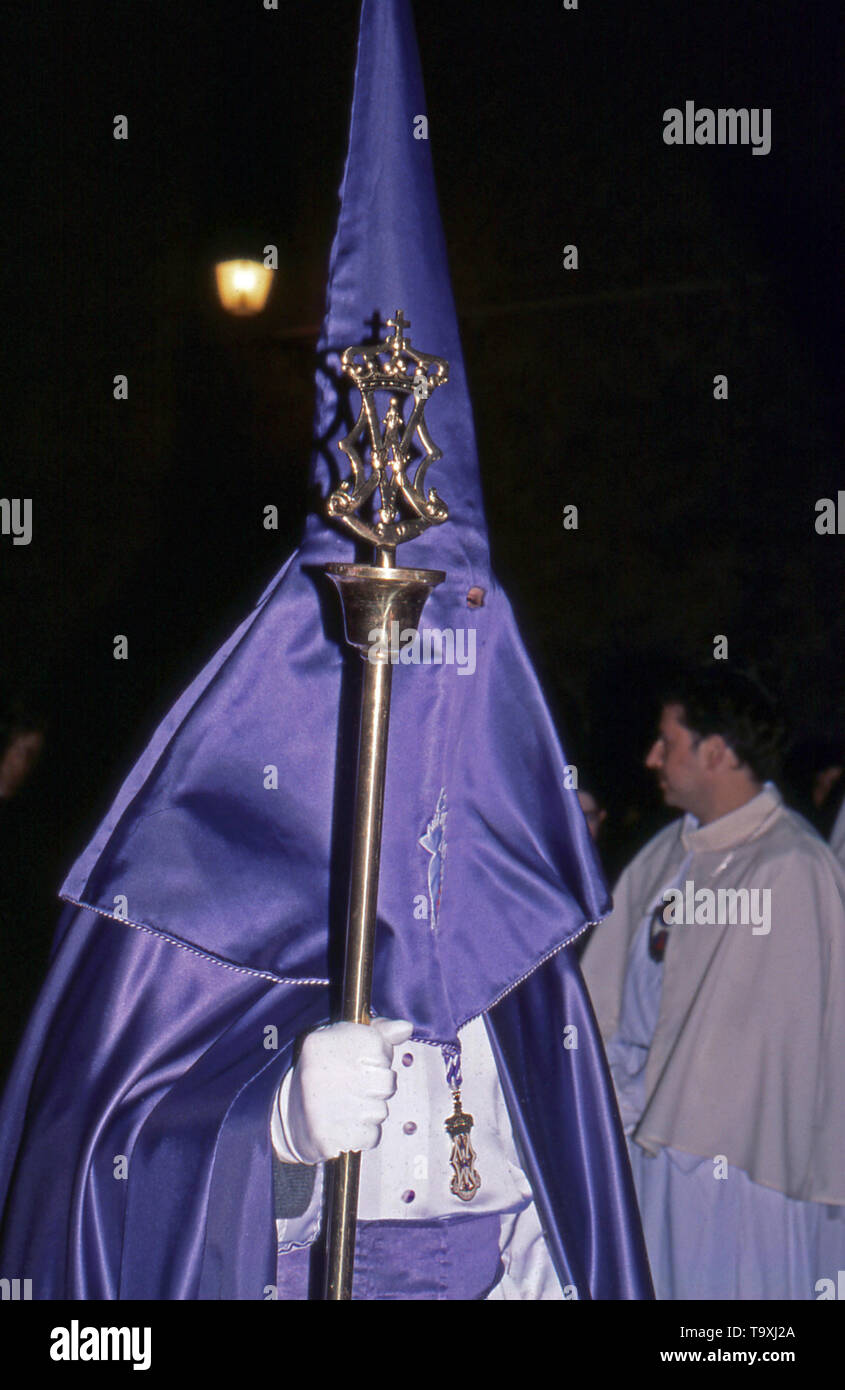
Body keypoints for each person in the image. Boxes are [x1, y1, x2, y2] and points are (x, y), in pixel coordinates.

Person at [0, 0, 652, 1301]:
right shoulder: (188, 891)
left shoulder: (508, 915)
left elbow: (554, 1193)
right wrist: (272, 1129)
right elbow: (82, 1171)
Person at [581, 666, 845, 1300]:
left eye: (667, 743)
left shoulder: (790, 866)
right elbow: (612, 992)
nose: (652, 758)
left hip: (737, 1163)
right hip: (645, 1138)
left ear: (718, 751)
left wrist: (652, 1095)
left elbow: (762, 1050)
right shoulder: (670, 851)